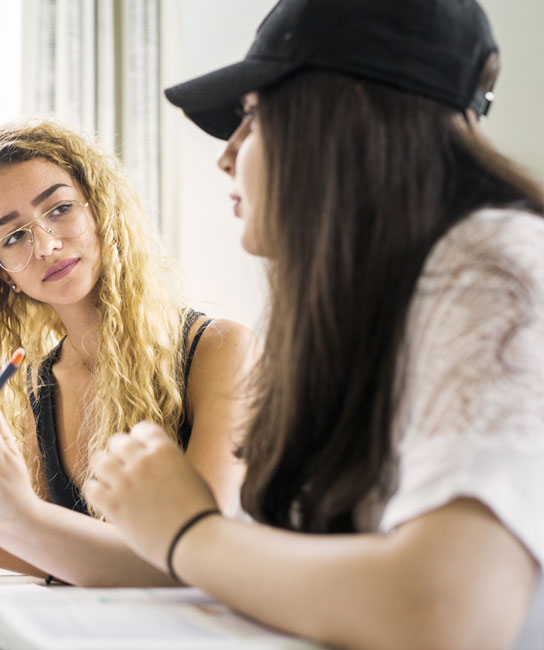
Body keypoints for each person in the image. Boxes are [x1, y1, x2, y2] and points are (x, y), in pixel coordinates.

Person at [82, 0, 544, 647]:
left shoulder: (499, 264)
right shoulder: (362, 310)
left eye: (249, 118)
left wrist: (190, 532)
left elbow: (449, 612)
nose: (226, 157)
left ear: (347, 118)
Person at [0, 117, 255, 585]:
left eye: (59, 209)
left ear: (99, 207)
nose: (47, 245)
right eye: (13, 237)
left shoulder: (219, 351)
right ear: (1, 275)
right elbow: (48, 553)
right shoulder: (35, 387)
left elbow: (195, 558)